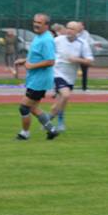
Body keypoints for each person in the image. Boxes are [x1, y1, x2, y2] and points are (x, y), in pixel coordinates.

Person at [13, 13, 59, 141]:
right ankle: (52, 130)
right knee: (33, 108)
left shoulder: (46, 40)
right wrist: (24, 60)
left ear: (46, 25)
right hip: (35, 78)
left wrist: (31, 66)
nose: (36, 24)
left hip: (40, 80)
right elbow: (36, 56)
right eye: (35, 21)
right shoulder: (38, 37)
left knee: (24, 107)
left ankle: (24, 134)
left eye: (39, 22)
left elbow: (50, 61)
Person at [50, 21, 94, 132]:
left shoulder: (82, 43)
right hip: (57, 72)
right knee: (65, 95)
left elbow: (90, 61)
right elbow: (47, 50)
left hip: (70, 76)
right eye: (68, 28)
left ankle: (49, 119)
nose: (69, 30)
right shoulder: (58, 40)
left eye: (72, 29)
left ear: (77, 31)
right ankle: (54, 121)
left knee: (61, 101)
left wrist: (77, 59)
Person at [75, 22, 92, 90]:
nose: (78, 27)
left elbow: (85, 43)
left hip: (83, 56)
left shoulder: (86, 34)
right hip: (75, 55)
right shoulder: (75, 33)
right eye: (77, 26)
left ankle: (84, 87)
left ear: (83, 27)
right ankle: (68, 85)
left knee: (84, 72)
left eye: (79, 26)